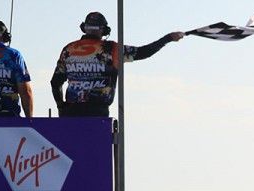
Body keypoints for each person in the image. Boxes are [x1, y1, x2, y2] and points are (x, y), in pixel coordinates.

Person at [51, 12, 185, 117]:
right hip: (98, 113)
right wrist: (167, 38)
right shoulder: (112, 49)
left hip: (71, 113)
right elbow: (144, 52)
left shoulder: (69, 49)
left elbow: (55, 82)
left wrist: (61, 106)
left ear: (84, 28)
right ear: (104, 31)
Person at [0, 19, 33, 117]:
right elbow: (25, 91)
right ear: (6, 37)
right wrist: (29, 120)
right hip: (9, 115)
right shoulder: (14, 55)